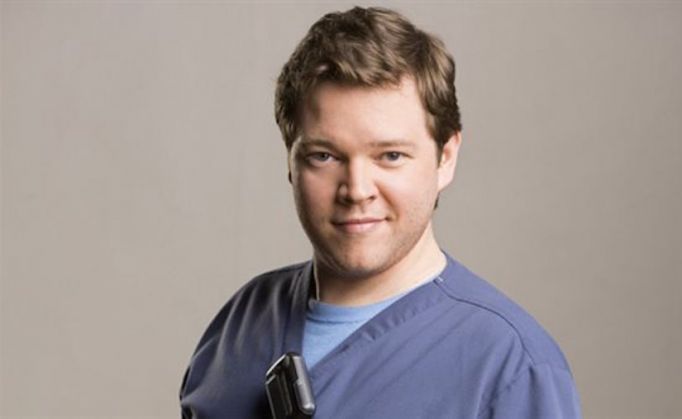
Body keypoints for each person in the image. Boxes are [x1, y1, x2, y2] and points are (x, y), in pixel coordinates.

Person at [180, 6, 581, 418]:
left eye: (390, 156)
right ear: (291, 161)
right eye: (324, 156)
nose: (357, 190)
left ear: (445, 158)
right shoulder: (239, 329)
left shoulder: (509, 368)